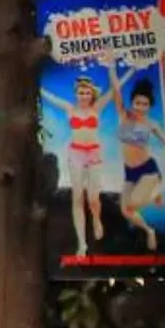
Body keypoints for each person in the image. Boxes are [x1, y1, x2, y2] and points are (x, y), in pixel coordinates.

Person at [115, 79, 165, 252]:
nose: (141, 107)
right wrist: (111, 69)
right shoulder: (124, 116)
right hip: (129, 171)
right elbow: (116, 92)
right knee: (126, 211)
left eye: (145, 104)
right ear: (132, 103)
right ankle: (149, 230)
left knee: (134, 204)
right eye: (138, 103)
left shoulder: (151, 124)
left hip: (148, 169)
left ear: (149, 106)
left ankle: (156, 191)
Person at [63, 73, 110, 252]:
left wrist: (131, 69)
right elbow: (46, 94)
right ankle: (81, 243)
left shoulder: (96, 108)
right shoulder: (69, 108)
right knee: (77, 198)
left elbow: (115, 89)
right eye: (81, 93)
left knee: (93, 199)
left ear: (92, 94)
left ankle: (96, 219)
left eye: (87, 93)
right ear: (76, 94)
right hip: (76, 153)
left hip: (94, 153)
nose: (84, 96)